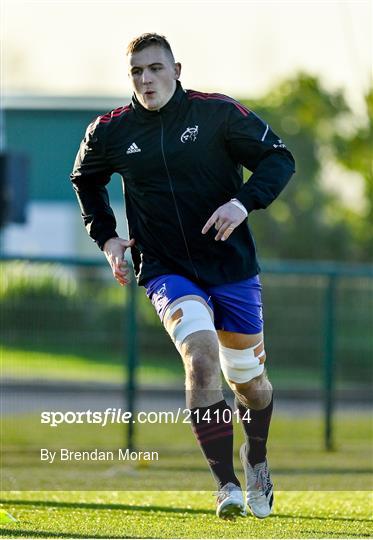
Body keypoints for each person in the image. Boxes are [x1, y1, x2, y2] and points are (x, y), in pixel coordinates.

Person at [70, 33, 295, 520]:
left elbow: (279, 158)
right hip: (167, 270)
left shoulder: (217, 113)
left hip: (231, 268)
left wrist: (242, 202)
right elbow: (85, 180)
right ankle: (225, 485)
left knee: (250, 384)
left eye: (154, 68)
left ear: (176, 69)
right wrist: (107, 238)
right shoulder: (110, 131)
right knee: (199, 358)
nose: (145, 79)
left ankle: (255, 458)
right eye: (136, 72)